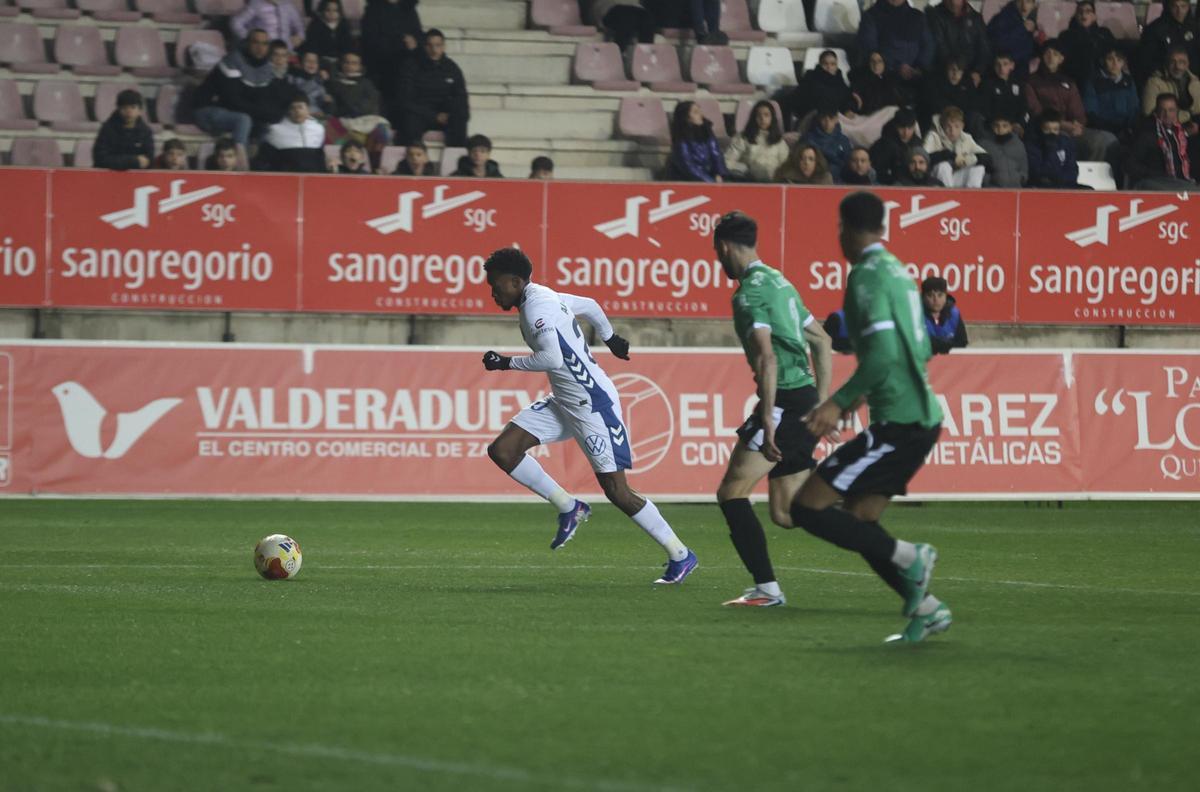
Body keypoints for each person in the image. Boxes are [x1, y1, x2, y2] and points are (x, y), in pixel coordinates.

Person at [480, 247, 698, 585]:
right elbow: (592, 306)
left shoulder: (537, 306)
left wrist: (505, 363)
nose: (493, 292)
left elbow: (551, 358)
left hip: (593, 404)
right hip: (565, 401)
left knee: (617, 490)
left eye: (496, 286)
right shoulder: (541, 295)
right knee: (503, 450)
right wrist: (609, 338)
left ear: (515, 281)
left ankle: (680, 554)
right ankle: (569, 506)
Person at [789, 190, 950, 644]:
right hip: (917, 416)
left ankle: (910, 556)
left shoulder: (866, 276)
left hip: (899, 422)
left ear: (845, 228)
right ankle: (927, 608)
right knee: (859, 518)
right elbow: (915, 349)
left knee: (806, 508)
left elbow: (879, 357)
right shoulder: (899, 271)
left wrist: (839, 402)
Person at [710, 212, 834, 608]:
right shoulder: (781, 282)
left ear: (725, 247)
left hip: (781, 403)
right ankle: (857, 503)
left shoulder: (749, 294)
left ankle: (767, 590)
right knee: (786, 512)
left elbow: (767, 358)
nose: (719, 261)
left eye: (718, 253)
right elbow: (822, 340)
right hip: (802, 399)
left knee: (732, 493)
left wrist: (766, 417)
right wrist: (822, 402)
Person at [1024, 39, 1119, 163]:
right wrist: (1064, 125)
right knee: (1088, 141)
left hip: (1071, 128)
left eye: (1055, 54)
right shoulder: (1031, 81)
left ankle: (1098, 177)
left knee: (1109, 139)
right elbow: (1036, 112)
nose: (1051, 57)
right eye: (1048, 53)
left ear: (1061, 59)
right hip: (1049, 129)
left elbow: (1078, 111)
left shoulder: (1068, 82)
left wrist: (1078, 125)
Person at [192, 29, 281, 146]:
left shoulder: (267, 68)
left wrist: (269, 114)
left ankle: (259, 162)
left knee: (265, 126)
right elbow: (232, 100)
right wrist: (262, 113)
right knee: (243, 120)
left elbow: (265, 99)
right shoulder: (232, 60)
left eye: (264, 44)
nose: (260, 48)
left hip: (236, 111)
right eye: (255, 42)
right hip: (207, 109)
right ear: (247, 43)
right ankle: (240, 161)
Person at [397, 28, 469, 146]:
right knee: (409, 121)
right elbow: (405, 100)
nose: (434, 50)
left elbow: (461, 96)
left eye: (438, 45)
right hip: (420, 113)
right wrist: (434, 116)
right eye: (430, 45)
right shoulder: (411, 66)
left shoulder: (452, 68)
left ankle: (456, 159)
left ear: (444, 46)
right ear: (424, 46)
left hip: (445, 114)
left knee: (460, 116)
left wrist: (452, 115)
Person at [856, 0, 935, 103]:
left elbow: (928, 44)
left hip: (917, 75)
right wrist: (896, 67)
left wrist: (919, 67)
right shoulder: (871, 16)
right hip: (886, 78)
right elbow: (869, 49)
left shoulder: (918, 16)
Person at [325, 51, 393, 168]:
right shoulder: (333, 83)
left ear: (360, 66)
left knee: (382, 131)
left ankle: (376, 168)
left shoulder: (367, 84)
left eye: (354, 63)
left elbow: (369, 106)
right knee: (327, 126)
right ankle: (335, 167)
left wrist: (346, 104)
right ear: (341, 64)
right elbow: (333, 109)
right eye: (347, 62)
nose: (350, 66)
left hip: (365, 122)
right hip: (344, 122)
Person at [362, 0, 422, 122]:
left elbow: (418, 37)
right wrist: (399, 43)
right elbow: (370, 41)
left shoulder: (409, 9)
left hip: (404, 67)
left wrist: (414, 43)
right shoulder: (373, 9)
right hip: (379, 67)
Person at [1126, 93, 1196, 190]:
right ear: (1156, 111)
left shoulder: (1180, 135)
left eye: (1171, 110)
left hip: (1181, 182)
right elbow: (1130, 164)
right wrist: (1155, 174)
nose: (1167, 114)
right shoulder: (1147, 133)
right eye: (1163, 110)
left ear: (1176, 112)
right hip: (1155, 182)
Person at [783, 49, 856, 128]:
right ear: (820, 64)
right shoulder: (811, 79)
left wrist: (848, 109)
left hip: (837, 120)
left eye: (833, 64)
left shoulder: (839, 81)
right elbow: (801, 102)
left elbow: (846, 99)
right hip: (815, 121)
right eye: (825, 64)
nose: (829, 67)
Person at [1135, 0, 1200, 85]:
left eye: (1183, 6)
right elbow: (1146, 60)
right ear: (1168, 7)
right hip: (1164, 80)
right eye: (1175, 6)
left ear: (1188, 7)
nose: (1179, 11)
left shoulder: (1196, 28)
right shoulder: (1154, 29)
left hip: (1193, 79)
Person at [259, 92, 327, 172]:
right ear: (288, 111)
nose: (297, 111)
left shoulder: (318, 129)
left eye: (300, 107)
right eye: (293, 108)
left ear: (308, 109)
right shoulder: (274, 130)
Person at [924, 105, 988, 187]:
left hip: (955, 177)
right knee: (943, 166)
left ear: (962, 126)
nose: (952, 131)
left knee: (978, 168)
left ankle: (972, 197)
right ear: (942, 125)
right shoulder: (933, 136)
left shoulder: (966, 138)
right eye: (948, 126)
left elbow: (987, 158)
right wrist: (952, 157)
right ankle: (948, 197)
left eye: (956, 126)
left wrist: (970, 159)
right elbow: (924, 158)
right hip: (935, 180)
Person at [1083, 47, 1139, 141]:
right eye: (1110, 59)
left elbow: (1134, 109)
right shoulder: (1093, 82)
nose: (1115, 63)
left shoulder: (1128, 81)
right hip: (1103, 129)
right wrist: (1113, 129)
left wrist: (1129, 128)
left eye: (1119, 60)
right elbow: (1091, 112)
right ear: (1102, 61)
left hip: (1126, 128)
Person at [927, 0, 991, 82]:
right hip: (945, 73)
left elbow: (984, 48)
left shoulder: (975, 18)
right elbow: (939, 46)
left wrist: (977, 71)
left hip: (971, 73)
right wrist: (955, 68)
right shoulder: (934, 16)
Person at [725, 101, 789, 182]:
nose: (762, 119)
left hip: (774, 184)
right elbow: (728, 161)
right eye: (759, 115)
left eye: (766, 115)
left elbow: (787, 166)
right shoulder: (743, 137)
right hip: (748, 182)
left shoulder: (779, 141)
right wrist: (746, 169)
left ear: (772, 118)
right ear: (753, 118)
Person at [1057, 0, 1115, 89]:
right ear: (1076, 15)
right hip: (1074, 80)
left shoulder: (1104, 34)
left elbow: (1114, 54)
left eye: (1088, 11)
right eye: (1080, 12)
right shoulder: (1066, 36)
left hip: (1101, 80)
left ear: (1094, 16)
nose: (1084, 14)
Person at [666, 100, 728, 182]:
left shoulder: (707, 131)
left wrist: (718, 173)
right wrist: (710, 181)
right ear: (686, 117)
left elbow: (716, 154)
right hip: (687, 180)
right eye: (696, 112)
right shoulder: (681, 139)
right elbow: (688, 166)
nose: (701, 115)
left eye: (700, 111)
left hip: (709, 176)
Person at [93, 88, 154, 170]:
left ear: (140, 110)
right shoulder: (107, 129)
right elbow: (100, 159)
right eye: (124, 107)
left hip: (137, 179)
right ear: (118, 109)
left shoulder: (145, 132)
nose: (128, 111)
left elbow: (149, 161)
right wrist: (133, 161)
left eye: (133, 107)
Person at [920, 57, 983, 135]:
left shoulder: (967, 82)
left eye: (959, 71)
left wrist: (958, 116)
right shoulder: (935, 82)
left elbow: (973, 103)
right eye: (952, 70)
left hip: (961, 119)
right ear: (946, 70)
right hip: (941, 117)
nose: (955, 74)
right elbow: (933, 104)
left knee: (975, 117)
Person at [1142, 46, 1200, 129]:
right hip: (1167, 130)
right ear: (1167, 64)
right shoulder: (1154, 83)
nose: (1178, 67)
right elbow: (1148, 114)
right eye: (1173, 62)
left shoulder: (1195, 82)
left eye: (1182, 62)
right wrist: (1187, 116)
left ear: (1187, 64)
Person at [1025, 109, 1083, 188]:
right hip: (1042, 187)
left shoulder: (1065, 142)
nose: (1051, 133)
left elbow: (1073, 170)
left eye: (1055, 129)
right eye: (1047, 129)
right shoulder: (1033, 145)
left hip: (1064, 185)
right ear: (1041, 129)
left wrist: (1061, 180)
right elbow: (1037, 172)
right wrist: (1050, 149)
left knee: (1089, 190)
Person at [987, 0, 1040, 80]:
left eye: (1028, 2)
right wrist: (1022, 29)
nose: (1024, 7)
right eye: (1020, 2)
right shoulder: (1001, 19)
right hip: (1001, 75)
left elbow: (1026, 50)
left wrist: (1040, 44)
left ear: (1034, 5)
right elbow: (996, 44)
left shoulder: (1028, 21)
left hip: (1021, 74)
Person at [869, 108, 922, 184]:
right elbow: (878, 171)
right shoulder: (883, 144)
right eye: (902, 128)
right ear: (895, 126)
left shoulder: (917, 143)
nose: (906, 132)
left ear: (914, 127)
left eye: (910, 128)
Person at [979, 52, 1028, 136]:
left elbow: (1024, 107)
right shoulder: (987, 84)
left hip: (1015, 127)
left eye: (1005, 64)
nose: (1001, 68)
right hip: (996, 127)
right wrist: (1002, 125)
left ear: (1012, 65)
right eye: (998, 65)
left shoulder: (1019, 84)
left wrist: (1019, 123)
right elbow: (985, 110)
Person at [978, 111, 1028, 187]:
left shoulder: (1018, 144)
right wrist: (988, 184)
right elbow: (980, 170)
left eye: (1005, 126)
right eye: (996, 126)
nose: (1000, 129)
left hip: (1016, 190)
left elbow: (1024, 167)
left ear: (1010, 127)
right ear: (992, 126)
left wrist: (1021, 179)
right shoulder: (984, 145)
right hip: (993, 192)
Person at [231, 0, 305, 51]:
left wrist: (299, 36)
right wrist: (251, 38)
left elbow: (299, 26)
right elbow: (236, 23)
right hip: (264, 51)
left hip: (285, 52)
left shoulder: (288, 5)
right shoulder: (256, 4)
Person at [921, 276, 968, 355]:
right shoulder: (915, 315)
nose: (936, 300)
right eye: (930, 295)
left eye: (940, 295)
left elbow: (962, 343)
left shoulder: (954, 314)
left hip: (948, 363)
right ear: (923, 297)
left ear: (946, 296)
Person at [803, 107, 853, 177]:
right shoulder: (808, 139)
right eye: (824, 119)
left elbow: (849, 164)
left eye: (831, 118)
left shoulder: (843, 140)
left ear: (836, 119)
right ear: (819, 119)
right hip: (814, 179)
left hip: (840, 182)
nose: (827, 123)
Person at [304, 0, 354, 68]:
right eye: (328, 10)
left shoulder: (344, 25)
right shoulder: (316, 25)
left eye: (335, 10)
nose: (331, 13)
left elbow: (348, 45)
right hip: (322, 60)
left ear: (340, 12)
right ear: (322, 11)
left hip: (340, 60)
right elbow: (312, 47)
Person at [589, 1, 655, 50]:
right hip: (610, 8)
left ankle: (646, 56)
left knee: (646, 18)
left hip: (635, 9)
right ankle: (619, 55)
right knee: (626, 17)